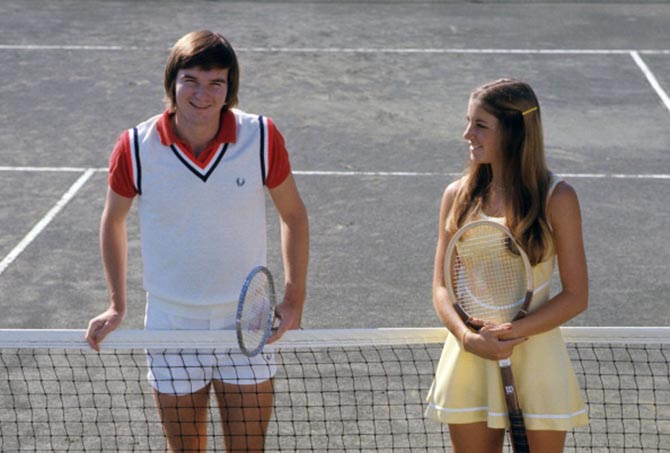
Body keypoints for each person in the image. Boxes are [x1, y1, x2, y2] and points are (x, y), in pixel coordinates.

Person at [85, 30, 309, 452]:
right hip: (172, 325)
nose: (202, 94)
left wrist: (294, 297)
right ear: (172, 81)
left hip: (248, 322)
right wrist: (117, 305)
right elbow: (112, 220)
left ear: (230, 90)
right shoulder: (135, 146)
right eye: (191, 79)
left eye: (216, 83)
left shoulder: (261, 137)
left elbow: (294, 216)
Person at [425, 79, 589, 452]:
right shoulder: (457, 196)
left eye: (480, 125)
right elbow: (441, 289)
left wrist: (513, 333)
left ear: (515, 132)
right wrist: (470, 340)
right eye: (469, 122)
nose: (467, 133)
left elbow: (577, 295)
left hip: (535, 359)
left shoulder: (557, 198)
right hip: (471, 357)